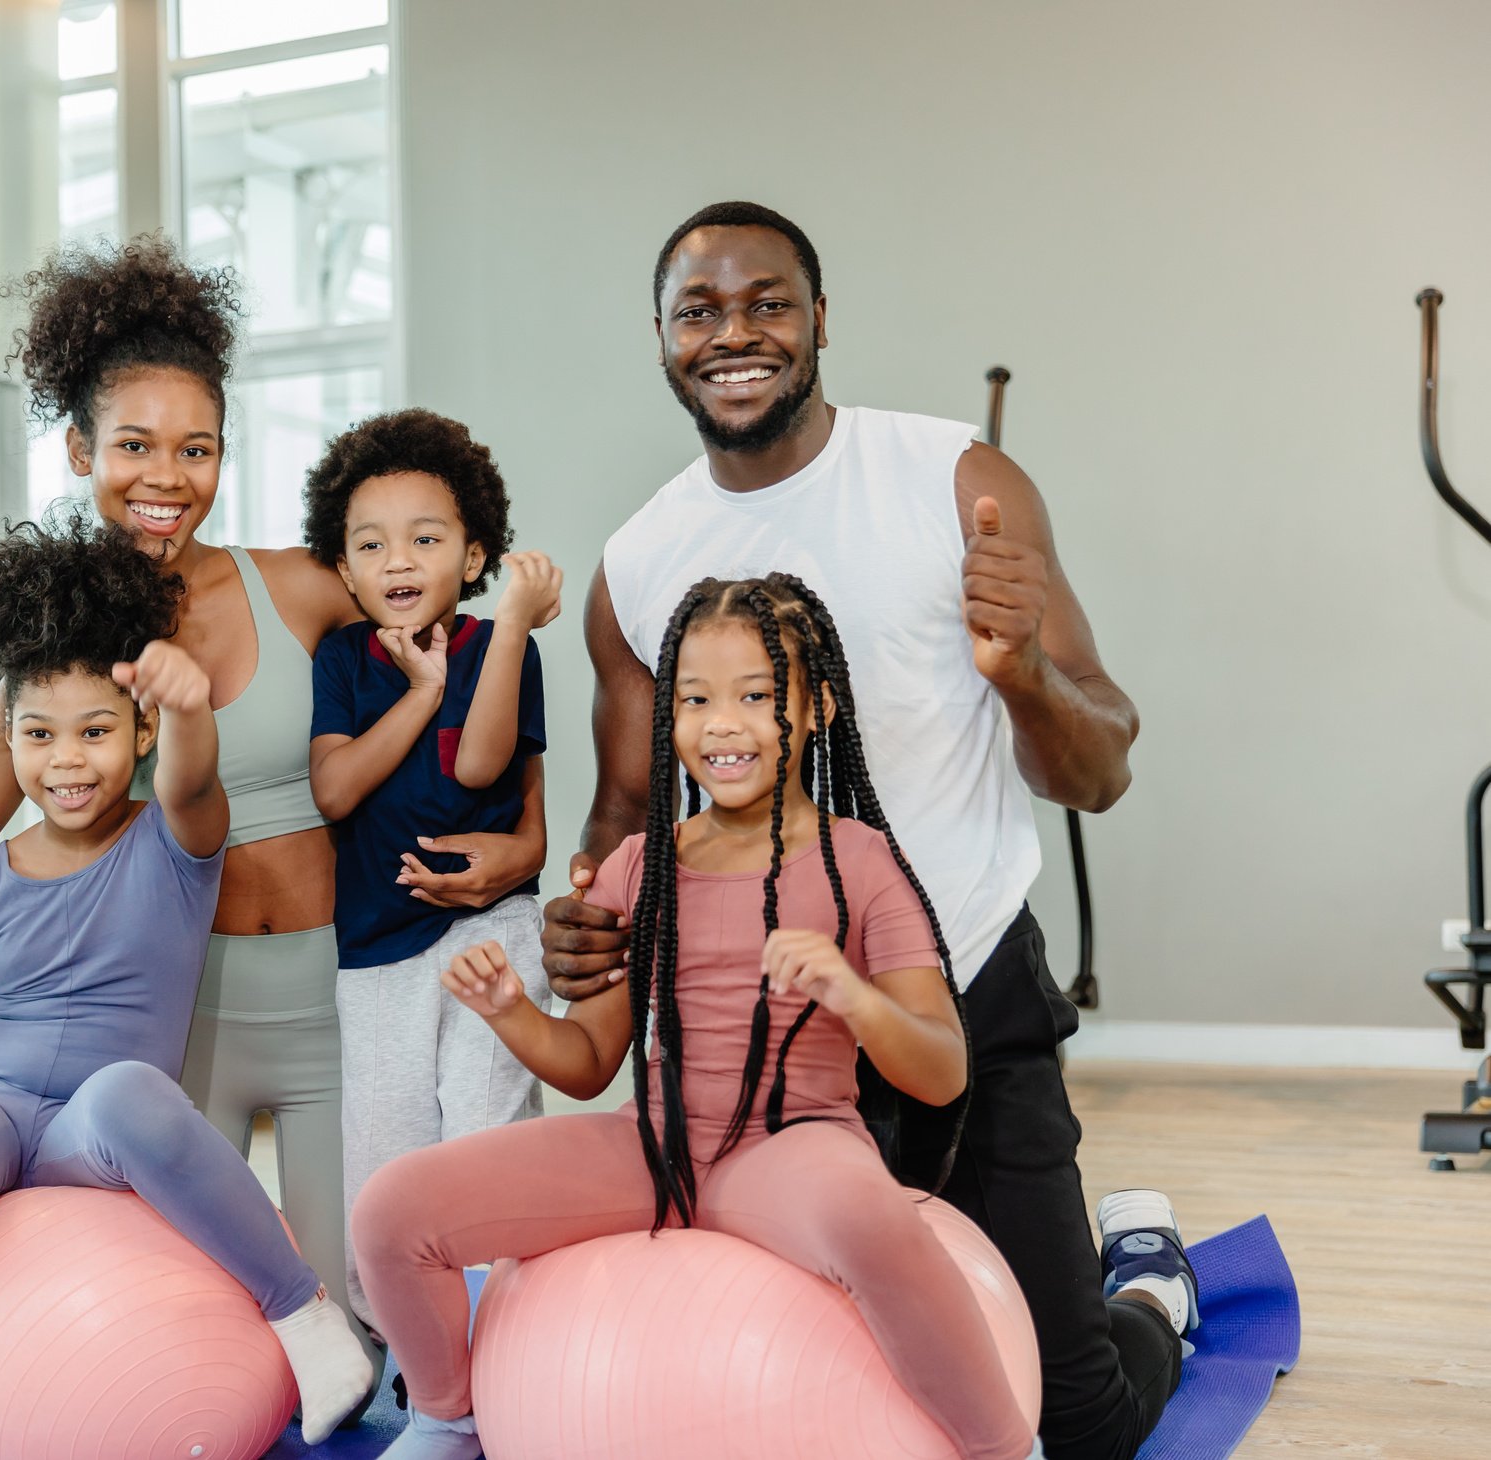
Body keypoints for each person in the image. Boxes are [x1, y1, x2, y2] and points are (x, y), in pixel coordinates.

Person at [0, 236, 546, 1387]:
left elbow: (452, 641)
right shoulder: (59, 647)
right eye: (134, 445)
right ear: (78, 450)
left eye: (195, 448)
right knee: (192, 1326)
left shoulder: (296, 584)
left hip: (332, 989)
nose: (166, 475)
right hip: (179, 1021)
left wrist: (524, 839)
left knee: (356, 1300)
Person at [541, 201, 1194, 1460]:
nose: (733, 333)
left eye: (766, 301)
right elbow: (625, 811)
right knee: (801, 1386)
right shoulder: (638, 560)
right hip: (759, 1044)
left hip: (958, 991)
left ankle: (1149, 1283)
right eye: (698, 310)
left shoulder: (958, 481)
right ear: (662, 338)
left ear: (819, 318)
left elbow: (1099, 768)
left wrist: (1019, 675)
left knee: (1073, 1423)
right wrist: (583, 918)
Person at [354, 575, 1038, 1460]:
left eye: (756, 696)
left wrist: (851, 993)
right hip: (653, 1147)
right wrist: (512, 1014)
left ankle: (1005, 1450)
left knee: (875, 1224)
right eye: (694, 699)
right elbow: (587, 1061)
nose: (721, 724)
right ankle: (448, 1417)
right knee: (392, 1211)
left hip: (792, 1147)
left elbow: (942, 1071)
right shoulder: (640, 864)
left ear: (817, 705)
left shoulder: (861, 863)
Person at [0, 515, 373, 1459]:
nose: (67, 760)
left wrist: (188, 709)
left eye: (97, 732)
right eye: (40, 734)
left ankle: (307, 1321)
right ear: (6, 738)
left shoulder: (174, 843)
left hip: (93, 1132)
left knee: (130, 1092)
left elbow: (190, 784)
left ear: (136, 730)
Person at [300, 409, 562, 1326]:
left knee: (483, 1125)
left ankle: (501, 1327)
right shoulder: (342, 659)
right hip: (375, 947)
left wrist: (512, 627)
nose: (399, 561)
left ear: (474, 555)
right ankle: (407, 1344)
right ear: (343, 570)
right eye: (371, 544)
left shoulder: (503, 646)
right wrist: (419, 690)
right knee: (385, 1149)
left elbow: (481, 766)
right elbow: (335, 789)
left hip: (488, 926)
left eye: (425, 538)